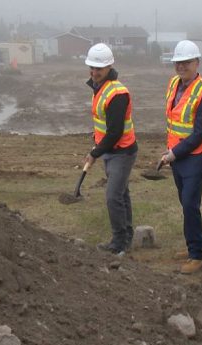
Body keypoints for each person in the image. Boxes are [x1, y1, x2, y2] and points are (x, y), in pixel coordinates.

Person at [159, 40, 202, 274]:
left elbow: (200, 132)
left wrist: (174, 153)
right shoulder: (174, 83)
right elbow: (174, 123)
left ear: (197, 63)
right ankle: (193, 244)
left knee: (191, 204)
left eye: (186, 62)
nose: (181, 66)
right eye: (178, 62)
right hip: (177, 156)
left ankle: (196, 254)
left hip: (195, 158)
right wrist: (170, 151)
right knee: (185, 203)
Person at [83, 43, 138, 257]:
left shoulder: (117, 93)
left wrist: (95, 152)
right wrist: (98, 145)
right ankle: (127, 237)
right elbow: (102, 123)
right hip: (110, 151)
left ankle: (118, 242)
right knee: (122, 193)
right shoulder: (100, 88)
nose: (95, 72)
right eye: (92, 68)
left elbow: (115, 132)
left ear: (109, 67)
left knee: (113, 196)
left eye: (99, 69)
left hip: (122, 152)